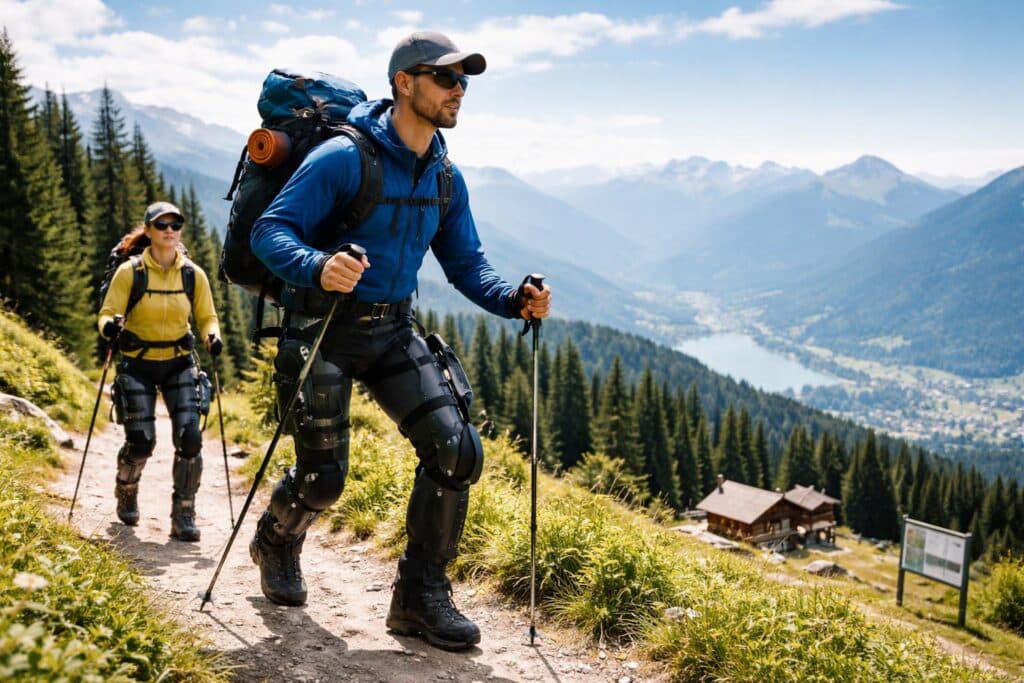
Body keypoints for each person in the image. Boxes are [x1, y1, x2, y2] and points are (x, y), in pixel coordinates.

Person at [247, 31, 551, 651]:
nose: (459, 90)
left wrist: (512, 298)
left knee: (457, 450)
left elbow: (467, 265)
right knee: (323, 481)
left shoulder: (444, 176)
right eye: (446, 78)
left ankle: (418, 599)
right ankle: (276, 539)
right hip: (324, 331)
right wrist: (317, 265)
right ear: (404, 83)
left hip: (391, 330)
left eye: (464, 80)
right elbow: (269, 232)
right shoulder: (343, 157)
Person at [98, 201, 222, 542]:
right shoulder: (131, 273)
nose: (169, 229)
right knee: (141, 442)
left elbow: (207, 316)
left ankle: (184, 512)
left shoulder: (192, 275)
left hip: (179, 362)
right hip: (137, 363)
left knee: (190, 438)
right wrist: (110, 327)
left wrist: (213, 335)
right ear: (149, 230)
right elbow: (107, 312)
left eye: (175, 224)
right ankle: (126, 486)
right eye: (162, 224)